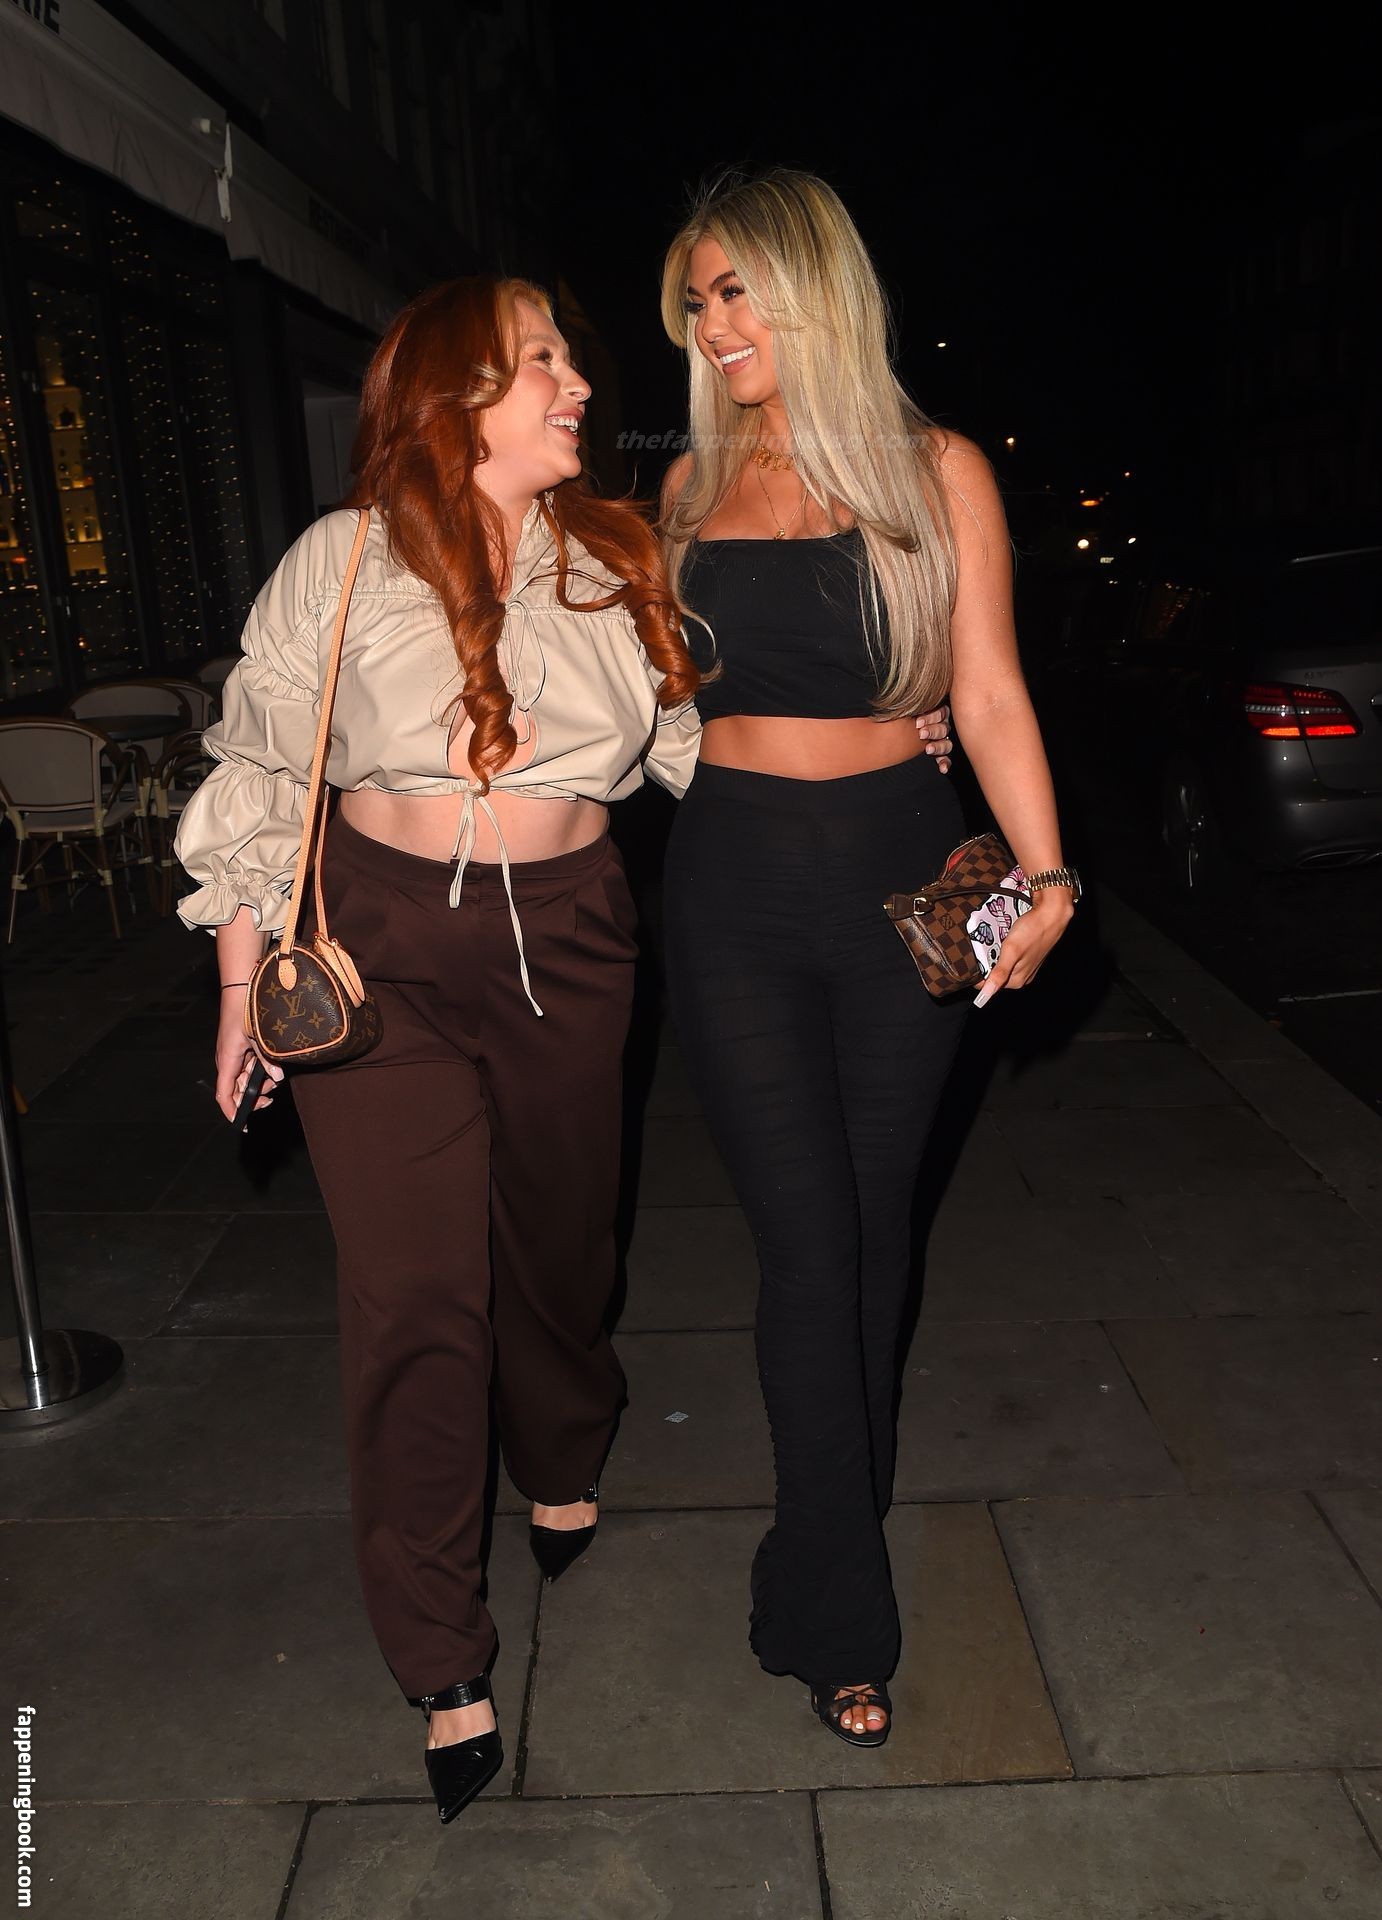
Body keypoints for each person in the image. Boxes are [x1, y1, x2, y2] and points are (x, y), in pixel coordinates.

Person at [173, 276, 704, 1825]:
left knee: (559, 1245)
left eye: (566, 358)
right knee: (412, 1299)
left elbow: (709, 750)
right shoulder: (341, 559)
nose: (577, 383)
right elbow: (263, 763)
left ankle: (562, 1438)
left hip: (572, 938)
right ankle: (437, 1651)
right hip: (379, 941)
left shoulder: (621, 560)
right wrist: (240, 979)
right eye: (542, 360)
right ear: (458, 393)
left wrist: (889, 734)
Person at [657, 168, 1079, 1747]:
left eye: (735, 290)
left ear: (811, 289)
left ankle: (829, 1518)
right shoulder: (687, 490)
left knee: (874, 1227)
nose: (713, 324)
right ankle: (837, 1616)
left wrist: (1046, 873)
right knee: (804, 1244)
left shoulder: (932, 469)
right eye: (696, 300)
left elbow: (987, 691)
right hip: (730, 887)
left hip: (906, 874)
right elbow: (642, 698)